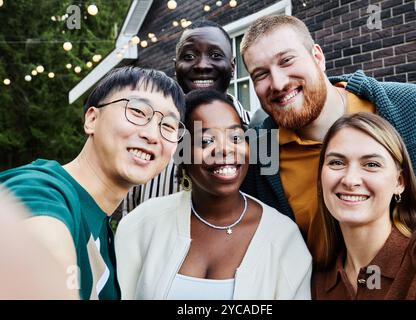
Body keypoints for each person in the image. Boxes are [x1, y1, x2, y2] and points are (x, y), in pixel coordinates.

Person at [239, 14, 416, 239]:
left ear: (317, 57)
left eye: (287, 60)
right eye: (261, 74)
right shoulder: (259, 152)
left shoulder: (415, 109)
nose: (279, 83)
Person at [0, 66, 185, 299]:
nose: (153, 134)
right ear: (92, 119)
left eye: (168, 126)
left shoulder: (106, 238)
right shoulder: (41, 190)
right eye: (138, 112)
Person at [115, 90, 312, 300]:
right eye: (206, 141)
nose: (225, 149)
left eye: (236, 137)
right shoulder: (142, 224)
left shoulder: (283, 238)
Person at [310, 112, 416, 299]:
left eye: (371, 164)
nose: (350, 180)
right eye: (336, 162)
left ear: (399, 182)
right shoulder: (318, 279)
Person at [120, 20, 250, 215]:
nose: (202, 66)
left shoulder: (258, 132)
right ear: (176, 67)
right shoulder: (145, 136)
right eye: (189, 56)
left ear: (232, 67)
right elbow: (130, 214)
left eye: (215, 55)